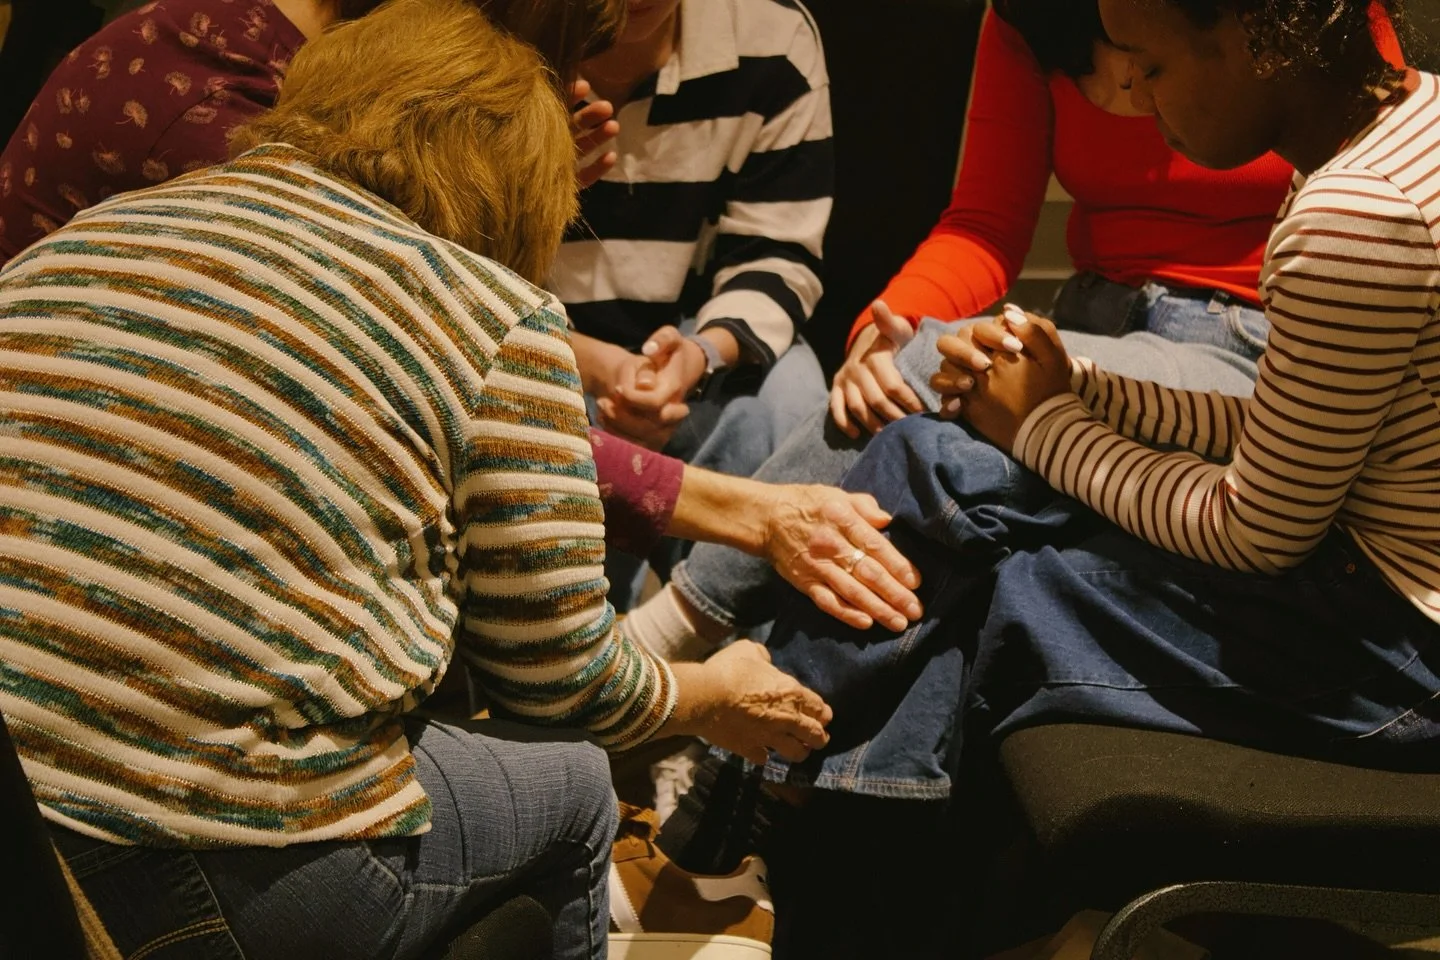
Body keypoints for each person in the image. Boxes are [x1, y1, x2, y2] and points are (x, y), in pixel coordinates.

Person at [0, 3, 833, 958]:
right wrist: (709, 693)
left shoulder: (106, 228)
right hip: (192, 860)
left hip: (18, 835)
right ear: (531, 186)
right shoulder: (492, 314)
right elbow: (562, 684)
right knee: (570, 782)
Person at [691, 0, 1440, 950]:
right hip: (1368, 596)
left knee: (977, 580)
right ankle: (806, 852)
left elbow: (1259, 528)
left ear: (1256, 41)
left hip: (1394, 658)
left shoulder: (1349, 218)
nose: (1133, 97)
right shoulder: (1404, 127)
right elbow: (1276, 430)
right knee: (938, 498)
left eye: (1152, 68)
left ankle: (752, 834)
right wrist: (1081, 384)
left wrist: (1041, 425)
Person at [0, 0, 921, 634]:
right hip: (85, 518)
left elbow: (421, 324)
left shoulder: (308, 76)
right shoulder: (230, 117)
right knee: (555, 781)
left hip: (167, 469)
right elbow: (437, 364)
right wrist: (754, 519)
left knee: (788, 391)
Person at [618, 0, 1404, 659]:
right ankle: (739, 723)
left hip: (1249, 336)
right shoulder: (1030, 18)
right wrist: (885, 331)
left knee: (938, 392)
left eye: (1153, 69)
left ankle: (675, 638)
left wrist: (940, 360)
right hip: (1097, 318)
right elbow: (985, 224)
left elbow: (1368, 170)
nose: (1137, 86)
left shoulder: (1297, 21)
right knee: (905, 393)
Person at [551, 0, 834, 607]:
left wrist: (700, 355)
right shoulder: (490, 34)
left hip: (687, 339)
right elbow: (436, 266)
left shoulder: (769, 35)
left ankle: (729, 640)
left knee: (790, 402)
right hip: (521, 338)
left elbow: (777, 255)